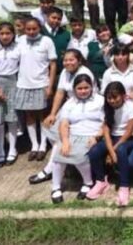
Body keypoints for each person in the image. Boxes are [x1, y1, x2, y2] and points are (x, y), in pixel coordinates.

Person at [30, 49, 96, 186]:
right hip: (71, 105)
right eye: (65, 60)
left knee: (61, 135)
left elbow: (88, 96)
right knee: (50, 125)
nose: (68, 63)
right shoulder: (65, 73)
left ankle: (50, 169)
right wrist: (53, 113)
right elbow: (60, 93)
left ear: (79, 61)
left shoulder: (84, 73)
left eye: (71, 60)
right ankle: (55, 165)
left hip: (85, 107)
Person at [50, 74, 103, 204]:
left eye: (86, 87)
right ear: (74, 89)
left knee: (80, 156)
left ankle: (88, 183)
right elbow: (64, 123)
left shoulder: (100, 100)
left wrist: (97, 136)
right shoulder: (70, 103)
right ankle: (55, 187)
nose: (83, 91)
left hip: (91, 135)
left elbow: (106, 122)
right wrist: (65, 141)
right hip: (73, 134)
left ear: (92, 87)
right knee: (58, 155)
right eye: (80, 88)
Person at [86, 81, 133, 206]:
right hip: (112, 138)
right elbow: (106, 131)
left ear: (123, 95)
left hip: (127, 139)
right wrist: (110, 151)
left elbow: (128, 132)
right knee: (94, 151)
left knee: (121, 151)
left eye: (115, 97)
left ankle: (124, 186)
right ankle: (101, 181)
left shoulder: (130, 107)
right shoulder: (107, 108)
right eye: (109, 98)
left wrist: (114, 150)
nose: (112, 101)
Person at [12, 17, 57, 161]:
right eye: (28, 29)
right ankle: (34, 145)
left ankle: (43, 145)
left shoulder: (47, 41)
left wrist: (50, 86)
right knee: (29, 116)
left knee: (42, 115)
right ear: (24, 29)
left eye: (34, 29)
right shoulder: (19, 41)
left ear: (39, 28)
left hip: (41, 84)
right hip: (24, 84)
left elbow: (53, 64)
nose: (31, 32)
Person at [0, 22, 21, 166]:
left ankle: (12, 149)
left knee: (12, 119)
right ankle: (0, 150)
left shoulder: (18, 48)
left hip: (13, 83)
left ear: (13, 34)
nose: (5, 36)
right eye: (2, 33)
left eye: (8, 33)